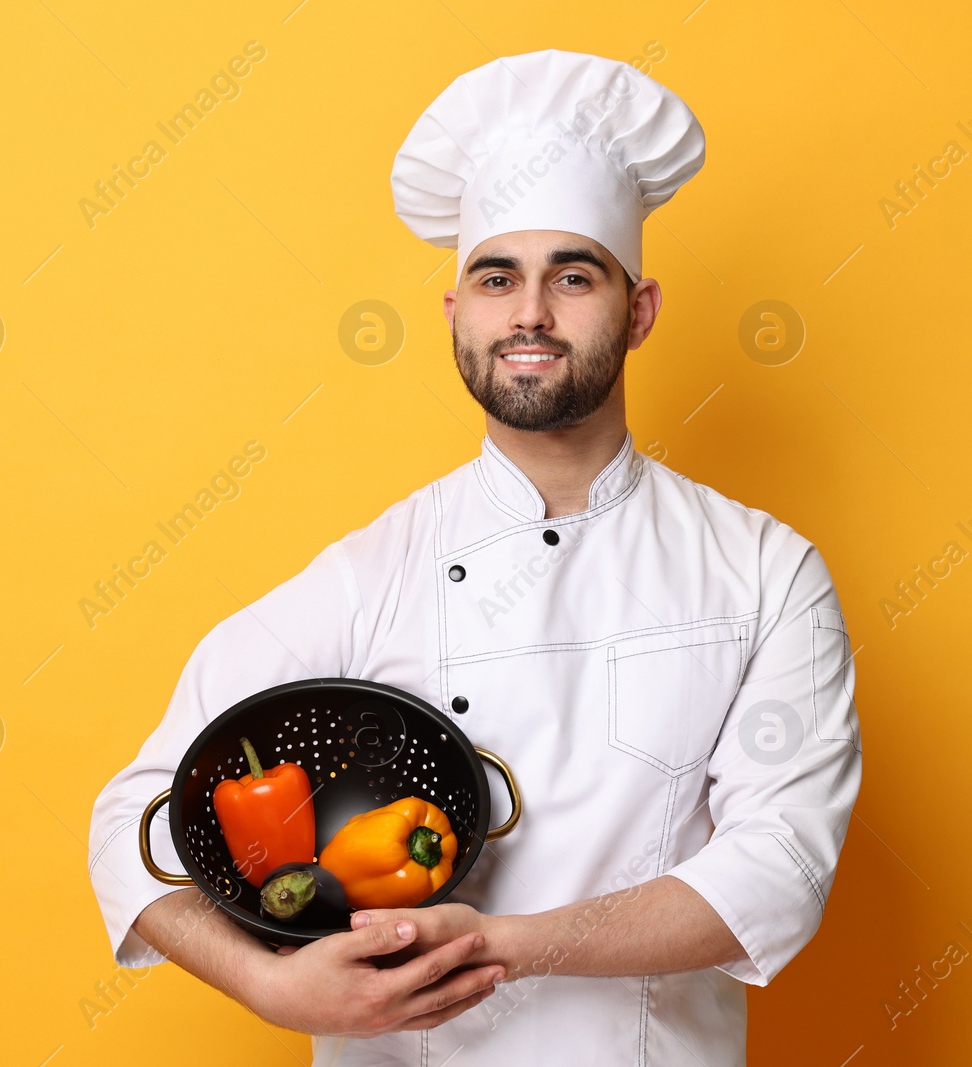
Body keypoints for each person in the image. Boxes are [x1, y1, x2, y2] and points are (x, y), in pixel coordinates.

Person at [86, 49, 861, 1065]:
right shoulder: (370, 571)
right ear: (457, 316)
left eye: (571, 275)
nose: (529, 313)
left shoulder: (765, 571)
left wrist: (507, 945)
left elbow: (779, 866)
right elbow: (126, 819)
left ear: (638, 310)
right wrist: (268, 982)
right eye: (496, 278)